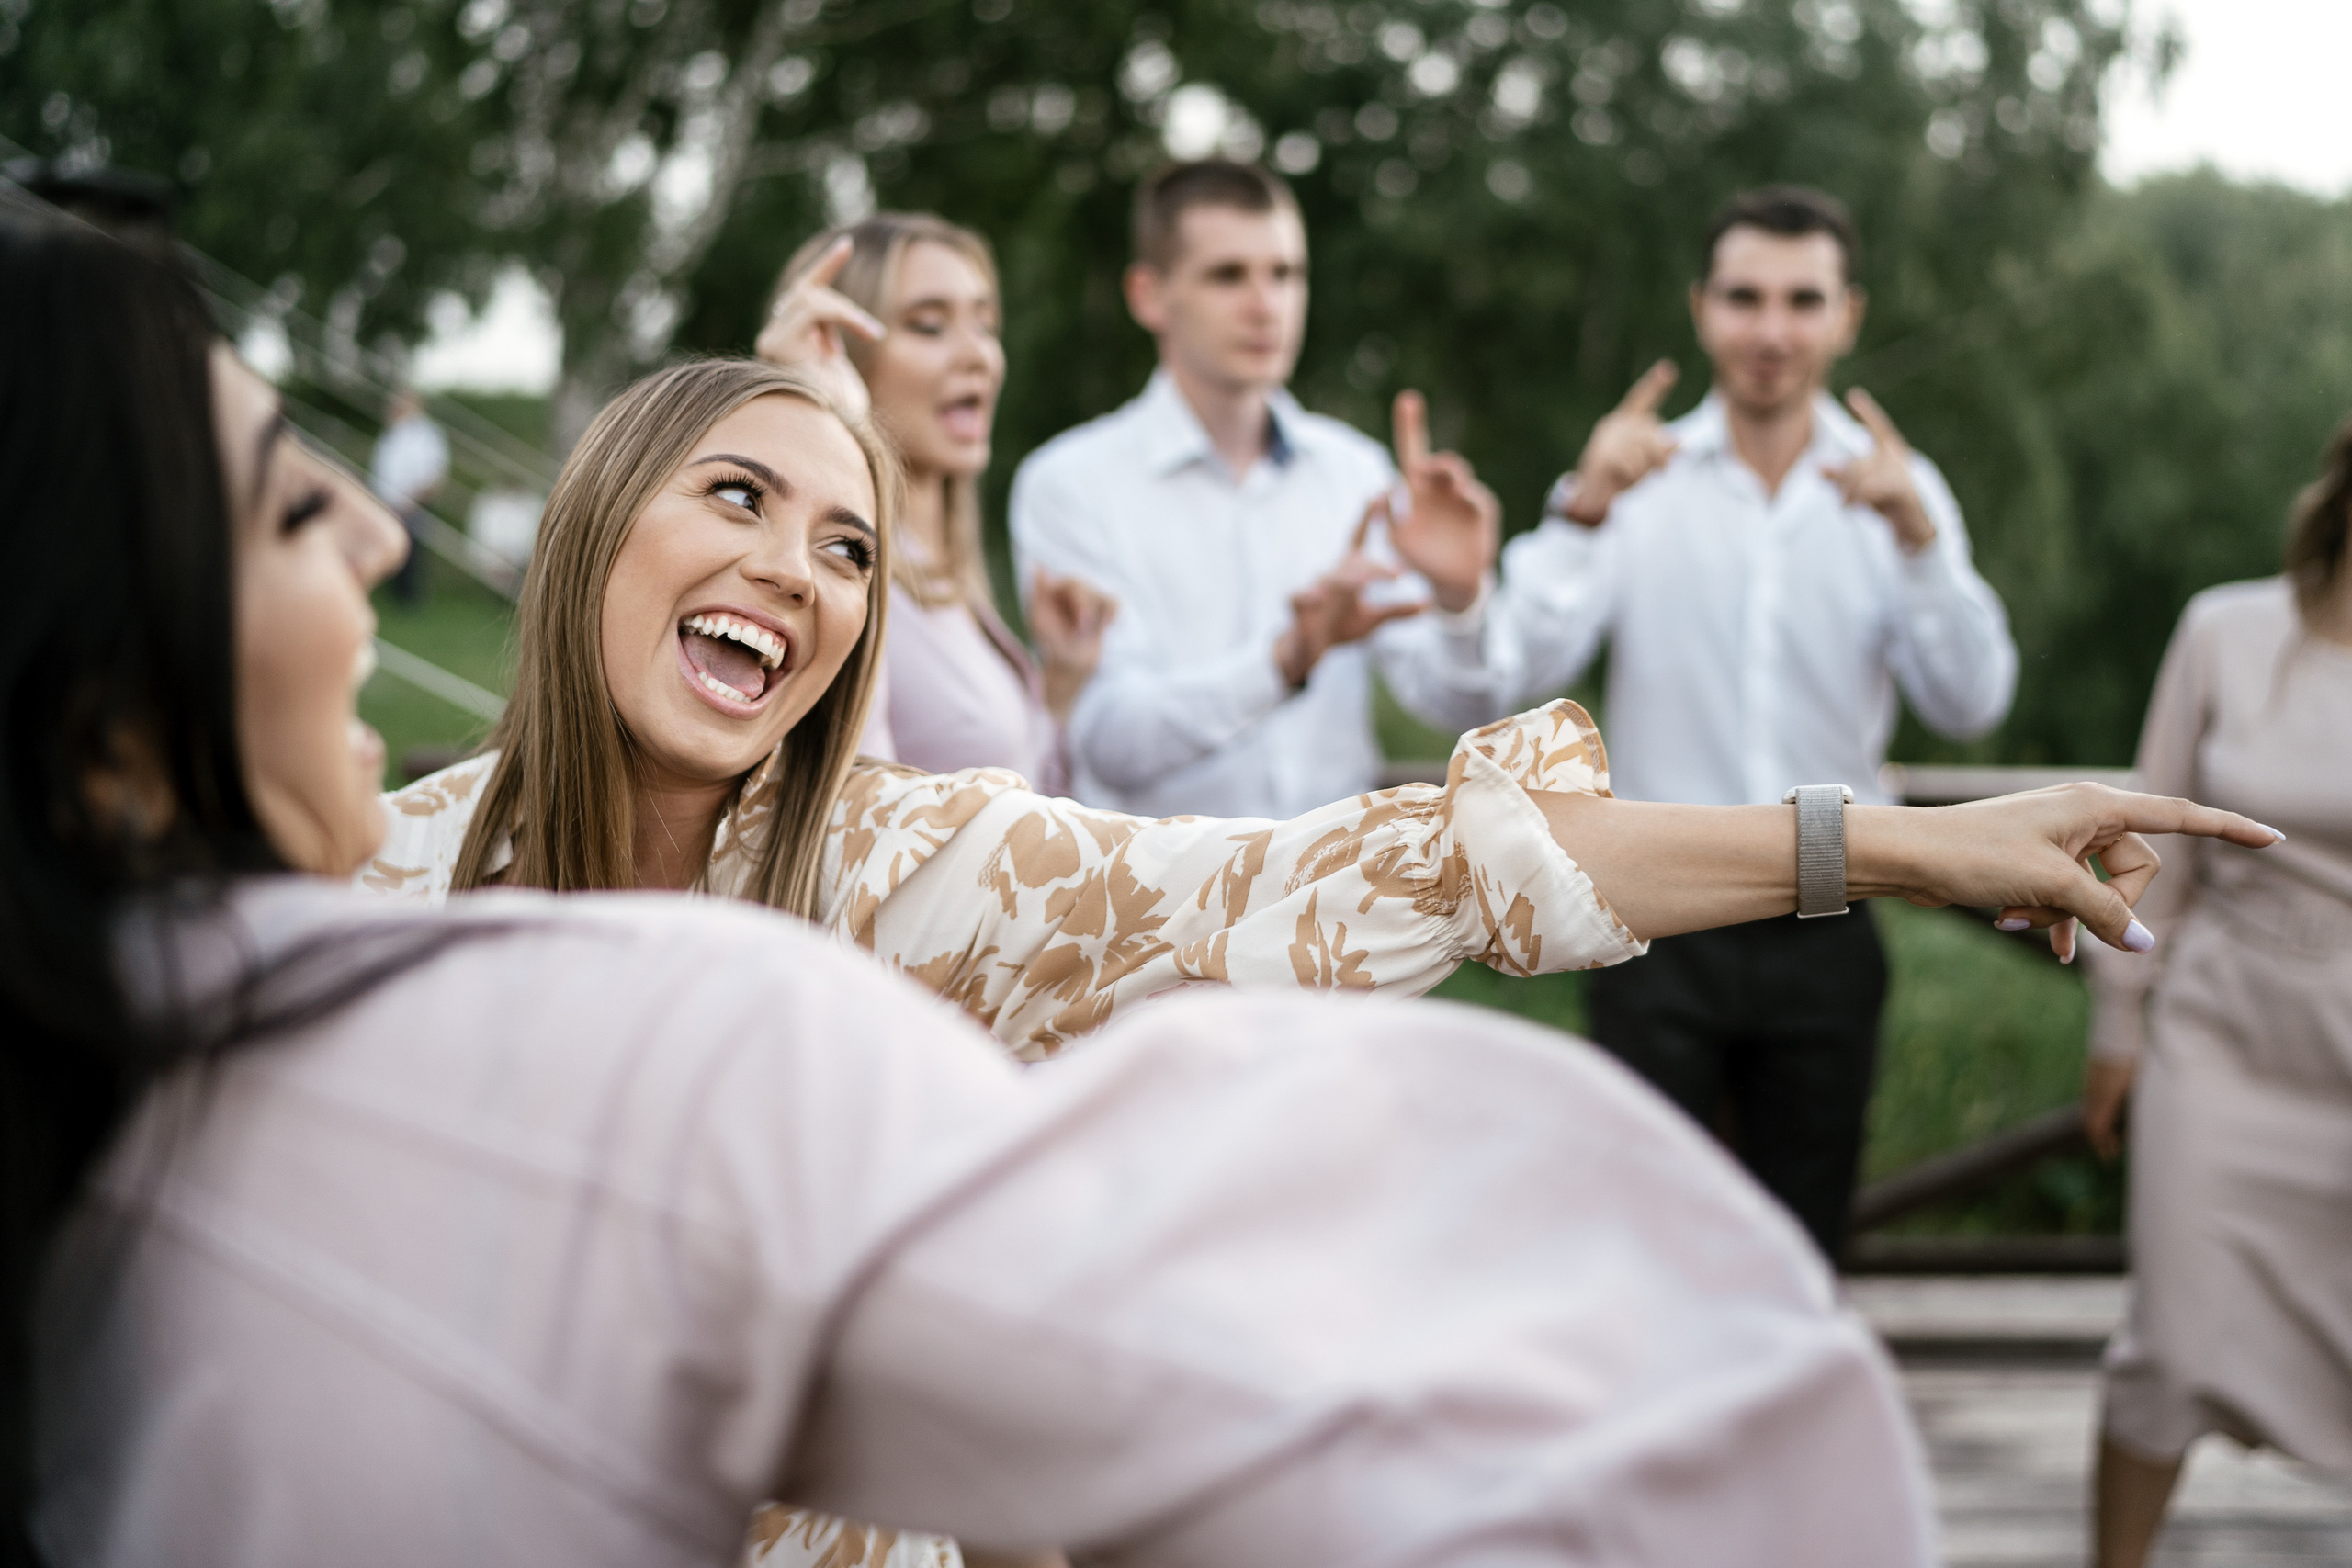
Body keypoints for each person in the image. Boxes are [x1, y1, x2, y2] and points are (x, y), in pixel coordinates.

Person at [0, 205, 1993, 1566]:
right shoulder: (376, 870)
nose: (798, 567)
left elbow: (1376, 869)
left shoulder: (904, 863)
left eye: (851, 549)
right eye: (739, 500)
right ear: (596, 524)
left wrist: (1882, 841)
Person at [1493, 185, 2020, 1258]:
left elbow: (1973, 701)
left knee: (1801, 1241)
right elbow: (1515, 666)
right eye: (1744, 298)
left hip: (1828, 911)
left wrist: (1920, 538)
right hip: (1649, 912)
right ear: (1700, 309)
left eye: (1800, 300)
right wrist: (1585, 507)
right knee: (1638, 1238)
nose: (1770, 331)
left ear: (1846, 315)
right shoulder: (1634, 477)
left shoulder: (1896, 494)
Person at [1009, 159, 1515, 819]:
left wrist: (1459, 603)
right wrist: (1285, 659)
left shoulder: (1354, 471)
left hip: (1346, 901)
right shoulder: (1068, 484)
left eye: (1286, 274)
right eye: (1227, 275)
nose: (1265, 304)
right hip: (1161, 909)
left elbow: (1465, 709)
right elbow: (1108, 743)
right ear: (1148, 295)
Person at [2078, 422, 2352, 1568]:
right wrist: (2114, 1024)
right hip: (2218, 1037)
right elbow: (2147, 854)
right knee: (2171, 1347)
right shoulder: (2224, 630)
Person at [755, 213, 1115, 793]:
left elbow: (1017, 810)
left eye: (985, 323)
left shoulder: (945, 577)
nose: (981, 356)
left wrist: (1061, 687)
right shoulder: (832, 574)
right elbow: (856, 816)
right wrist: (829, 426)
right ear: (834, 353)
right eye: (929, 325)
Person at [370, 384, 449, 605]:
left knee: (412, 553)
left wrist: (414, 500)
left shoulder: (427, 434)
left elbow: (433, 472)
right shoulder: (391, 434)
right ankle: (395, 596)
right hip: (389, 504)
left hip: (414, 503)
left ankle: (411, 599)